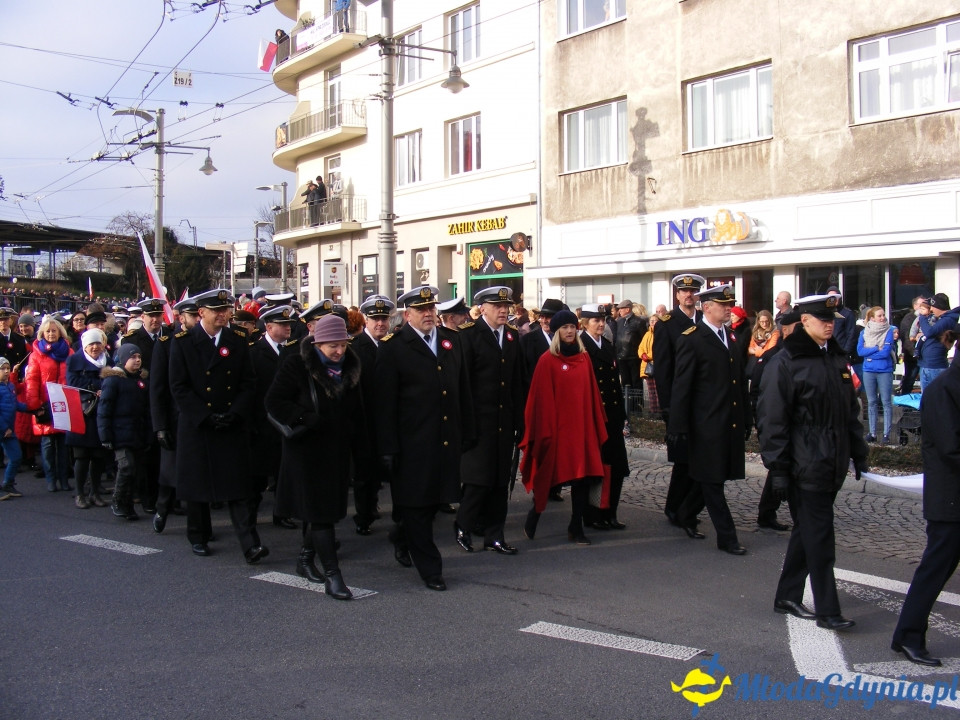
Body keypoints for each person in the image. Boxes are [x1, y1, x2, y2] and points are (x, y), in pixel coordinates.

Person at [757, 294, 869, 631]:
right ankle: (828, 610)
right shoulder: (787, 360)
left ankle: (787, 595)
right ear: (804, 321)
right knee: (820, 537)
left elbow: (849, 411)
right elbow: (772, 419)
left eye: (832, 318)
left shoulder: (834, 357)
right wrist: (777, 468)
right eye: (822, 319)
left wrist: (858, 449)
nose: (830, 324)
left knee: (809, 531)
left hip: (830, 461)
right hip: (804, 465)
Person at [374, 285, 474, 591]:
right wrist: (387, 447)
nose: (429, 314)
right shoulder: (393, 347)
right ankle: (431, 568)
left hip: (445, 438)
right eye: (422, 310)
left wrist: (468, 431)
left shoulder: (451, 341)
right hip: (412, 442)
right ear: (408, 315)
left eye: (432, 309)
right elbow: (384, 403)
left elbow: (462, 389)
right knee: (418, 505)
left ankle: (400, 535)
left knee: (432, 502)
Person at [266, 314, 367, 600]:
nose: (339, 351)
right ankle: (333, 577)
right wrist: (305, 418)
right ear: (318, 343)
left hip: (336, 452)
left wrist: (362, 450)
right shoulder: (297, 364)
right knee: (320, 514)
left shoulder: (350, 365)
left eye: (343, 345)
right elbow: (274, 401)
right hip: (306, 452)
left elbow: (358, 412)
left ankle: (305, 558)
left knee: (324, 512)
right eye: (332, 346)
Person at [168, 289, 267, 563]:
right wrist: (204, 415)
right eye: (218, 311)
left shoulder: (237, 339)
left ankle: (250, 543)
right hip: (198, 424)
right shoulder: (183, 341)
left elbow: (248, 382)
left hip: (230, 422)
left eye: (226, 310)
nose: (224, 315)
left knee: (238, 486)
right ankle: (198, 536)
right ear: (202, 313)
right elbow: (178, 385)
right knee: (198, 485)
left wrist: (235, 412)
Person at [667, 285, 750, 555]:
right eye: (722, 304)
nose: (728, 309)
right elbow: (682, 387)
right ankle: (728, 537)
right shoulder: (692, 338)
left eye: (730, 304)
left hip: (728, 422)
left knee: (714, 477)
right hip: (705, 425)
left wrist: (746, 418)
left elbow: (738, 383)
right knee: (713, 481)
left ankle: (685, 513)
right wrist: (678, 427)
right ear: (707, 307)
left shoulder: (732, 337)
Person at [891, 359, 960, 666]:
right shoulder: (943, 388)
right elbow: (950, 447)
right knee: (934, 571)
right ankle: (908, 635)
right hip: (951, 499)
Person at [519, 309, 607, 545]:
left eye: (572, 327)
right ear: (557, 331)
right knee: (547, 476)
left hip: (580, 430)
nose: (569, 331)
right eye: (564, 328)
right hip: (556, 430)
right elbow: (538, 400)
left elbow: (592, 395)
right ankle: (535, 515)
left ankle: (575, 527)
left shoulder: (584, 358)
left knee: (582, 479)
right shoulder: (546, 360)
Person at [455, 287, 524, 555]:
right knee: (477, 479)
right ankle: (463, 525)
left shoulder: (511, 337)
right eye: (497, 306)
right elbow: (463, 384)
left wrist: (520, 420)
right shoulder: (469, 336)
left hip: (503, 421)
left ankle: (495, 535)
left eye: (506, 306)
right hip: (478, 421)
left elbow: (516, 382)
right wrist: (466, 424)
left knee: (500, 480)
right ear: (482, 308)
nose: (504, 310)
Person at [654, 273, 705, 527]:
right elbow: (663, 370)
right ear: (676, 295)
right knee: (683, 459)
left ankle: (687, 507)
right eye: (684, 291)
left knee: (699, 457)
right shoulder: (667, 323)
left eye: (693, 291)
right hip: (678, 403)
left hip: (702, 403)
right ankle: (675, 507)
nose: (689, 295)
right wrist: (668, 407)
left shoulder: (704, 321)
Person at [248, 305, 300, 532]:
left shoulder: (291, 351)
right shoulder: (254, 352)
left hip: (285, 422)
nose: (288, 328)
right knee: (258, 475)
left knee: (284, 472)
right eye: (283, 324)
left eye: (289, 324)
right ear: (268, 327)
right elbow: (252, 390)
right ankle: (249, 516)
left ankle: (282, 513)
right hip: (262, 422)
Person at [151, 297, 199, 533]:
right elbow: (158, 388)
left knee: (194, 471)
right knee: (169, 471)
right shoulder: (166, 343)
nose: (198, 320)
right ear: (182, 319)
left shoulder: (203, 341)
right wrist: (160, 425)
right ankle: (162, 509)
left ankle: (197, 522)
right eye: (194, 316)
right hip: (173, 418)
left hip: (195, 417)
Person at [751, 309, 801, 531]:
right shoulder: (774, 358)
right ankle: (799, 521)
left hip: (792, 427)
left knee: (782, 469)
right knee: (783, 468)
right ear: (787, 331)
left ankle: (767, 513)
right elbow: (758, 390)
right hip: (774, 420)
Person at [580, 304, 629, 530]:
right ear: (584, 323)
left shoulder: (607, 346)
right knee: (597, 468)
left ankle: (611, 512)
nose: (601, 324)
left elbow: (615, 385)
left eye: (603, 320)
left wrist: (622, 415)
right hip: (593, 417)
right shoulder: (580, 347)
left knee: (616, 467)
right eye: (595, 321)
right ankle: (592, 514)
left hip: (612, 416)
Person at [351, 294, 396, 534]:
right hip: (364, 419)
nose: (380, 323)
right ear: (365, 321)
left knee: (388, 468)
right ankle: (364, 514)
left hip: (387, 419)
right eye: (375, 319)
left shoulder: (393, 344)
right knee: (364, 472)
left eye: (384, 319)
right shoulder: (355, 348)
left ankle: (379, 506)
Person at [98, 344, 151, 521]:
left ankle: (128, 505)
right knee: (126, 466)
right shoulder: (113, 380)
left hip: (137, 432)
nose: (137, 360)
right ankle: (118, 500)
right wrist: (105, 436)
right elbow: (104, 410)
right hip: (119, 434)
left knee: (136, 470)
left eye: (139, 357)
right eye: (133, 357)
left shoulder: (140, 381)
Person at [520, 298, 566, 502]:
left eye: (550, 317)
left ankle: (555, 485)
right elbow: (523, 373)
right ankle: (539, 485)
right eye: (543, 316)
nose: (545, 320)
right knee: (541, 447)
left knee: (559, 448)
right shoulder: (529, 341)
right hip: (538, 403)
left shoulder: (568, 341)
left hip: (561, 405)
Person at [25, 316, 73, 493]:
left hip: (63, 403)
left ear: (60, 332)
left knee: (63, 446)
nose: (51, 334)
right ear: (42, 334)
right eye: (48, 331)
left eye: (54, 330)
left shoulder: (68, 352)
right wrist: (35, 405)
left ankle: (63, 479)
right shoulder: (36, 354)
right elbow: (32, 380)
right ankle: (51, 479)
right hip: (44, 404)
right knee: (47, 445)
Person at [66, 329, 111, 508]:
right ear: (85, 346)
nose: (94, 347)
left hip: (101, 413)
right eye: (91, 344)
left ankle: (95, 492)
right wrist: (95, 386)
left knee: (99, 456)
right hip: (82, 412)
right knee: (82, 456)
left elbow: (114, 379)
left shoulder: (108, 360)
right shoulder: (74, 360)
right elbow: (72, 382)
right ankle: (79, 493)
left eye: (97, 343)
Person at [857, 306, 897, 444]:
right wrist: (875, 348)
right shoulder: (864, 332)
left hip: (884, 370)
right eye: (879, 316)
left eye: (883, 315)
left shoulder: (889, 331)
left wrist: (870, 353)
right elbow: (860, 351)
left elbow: (886, 352)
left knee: (886, 402)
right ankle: (872, 433)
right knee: (871, 402)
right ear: (872, 318)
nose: (882, 318)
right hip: (868, 370)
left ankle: (886, 434)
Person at [915, 294, 958, 391]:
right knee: (926, 399)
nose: (931, 310)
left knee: (936, 398)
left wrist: (922, 318)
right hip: (926, 364)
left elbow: (929, 332)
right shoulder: (941, 319)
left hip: (935, 366)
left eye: (932, 307)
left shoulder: (947, 320)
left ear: (939, 307)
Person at [0, 357, 26, 500]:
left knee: (16, 457)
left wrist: (33, 409)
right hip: (4, 429)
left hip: (9, 430)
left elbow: (15, 405)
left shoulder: (10, 386)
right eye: (2, 369)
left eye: (7, 368)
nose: (5, 371)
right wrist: (4, 428)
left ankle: (8, 483)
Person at [614, 299, 645, 390]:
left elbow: (643, 339)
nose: (619, 311)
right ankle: (627, 402)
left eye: (621, 309)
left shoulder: (639, 322)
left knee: (636, 382)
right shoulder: (619, 321)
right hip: (621, 357)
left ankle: (637, 403)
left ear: (627, 309)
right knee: (625, 382)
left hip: (634, 357)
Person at [898, 296, 923, 395]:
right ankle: (906, 405)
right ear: (915, 306)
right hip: (912, 356)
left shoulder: (927, 317)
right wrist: (914, 353)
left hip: (924, 355)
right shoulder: (909, 318)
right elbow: (906, 338)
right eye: (921, 304)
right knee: (910, 379)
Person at [638, 314, 659, 415]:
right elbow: (640, 347)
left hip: (657, 365)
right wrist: (642, 355)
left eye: (655, 321)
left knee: (658, 390)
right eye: (651, 321)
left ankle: (660, 410)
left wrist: (649, 356)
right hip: (647, 366)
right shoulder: (647, 334)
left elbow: (659, 349)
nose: (653, 323)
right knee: (651, 391)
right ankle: (653, 410)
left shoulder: (660, 333)